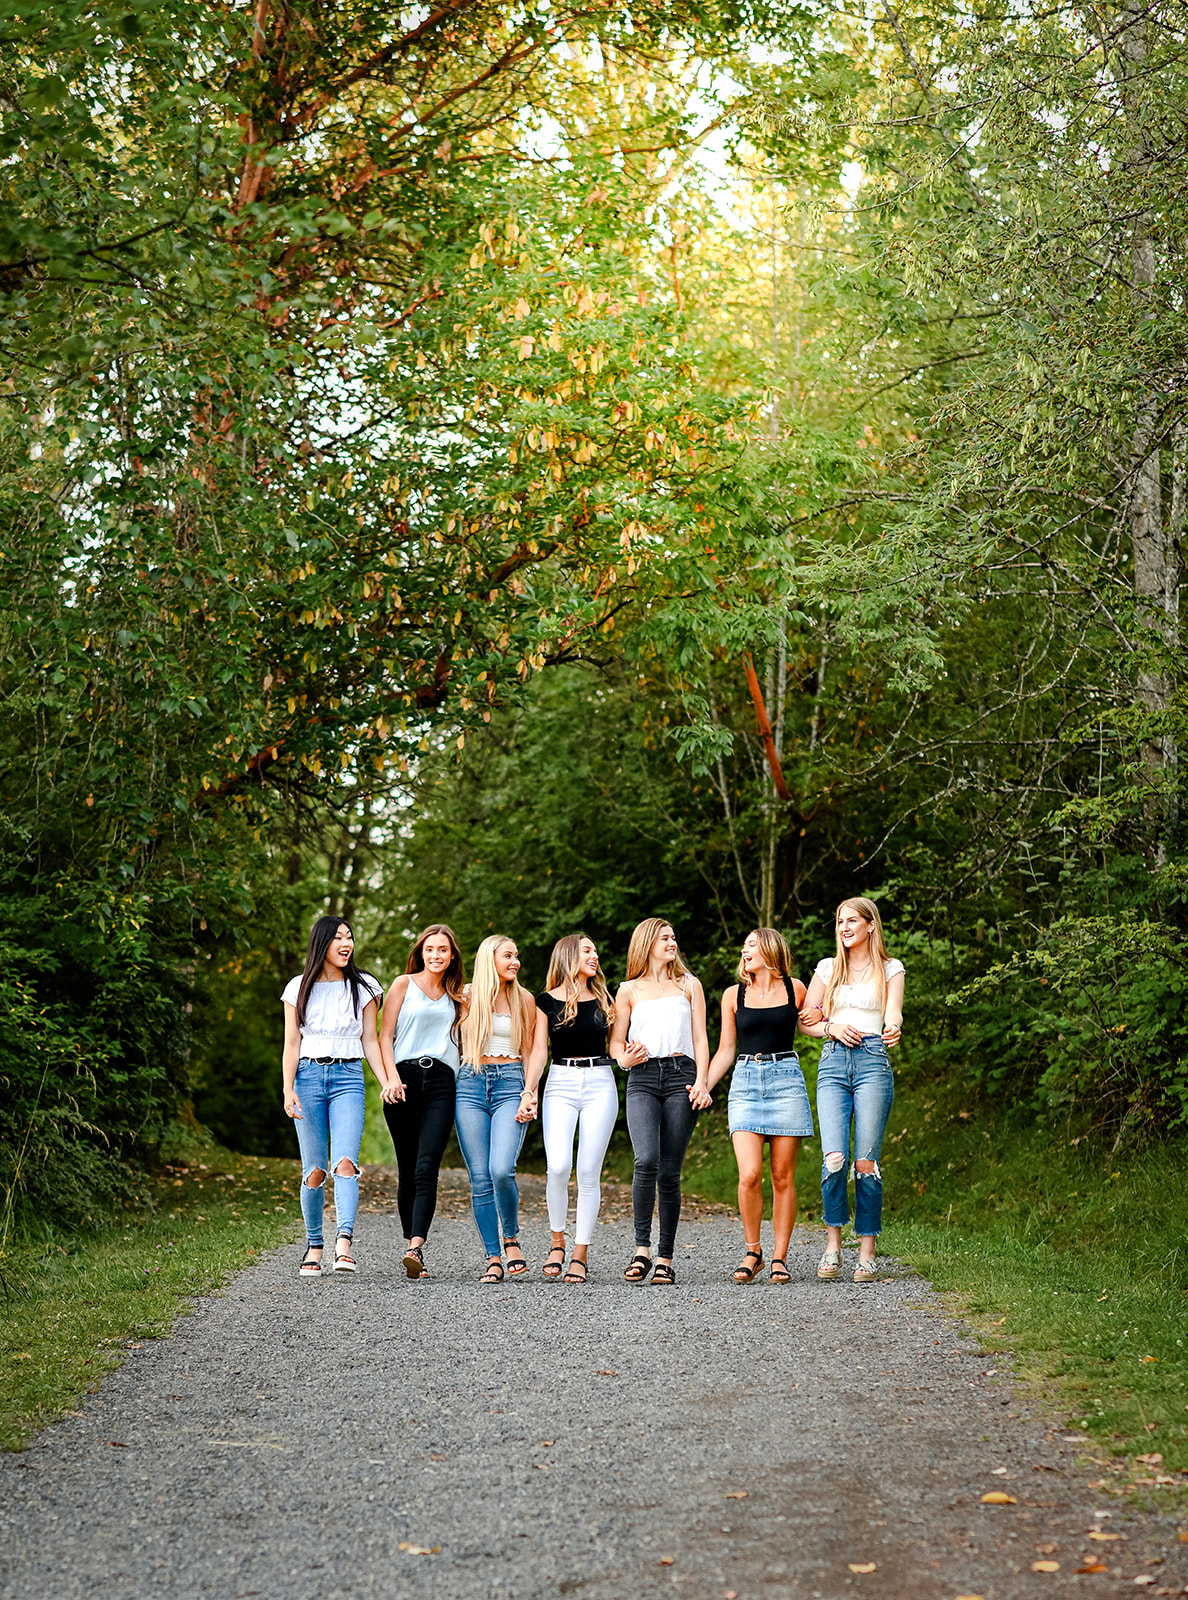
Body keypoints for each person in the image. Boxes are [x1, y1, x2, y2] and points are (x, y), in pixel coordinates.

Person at [798, 897, 904, 1283]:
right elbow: (806, 1020)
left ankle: (867, 1252)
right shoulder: (828, 969)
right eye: (840, 921)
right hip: (832, 1062)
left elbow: (893, 1012)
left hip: (872, 1060)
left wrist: (893, 1026)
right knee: (834, 1158)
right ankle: (832, 1246)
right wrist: (830, 1026)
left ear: (870, 926)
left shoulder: (891, 969)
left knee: (865, 1162)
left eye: (852, 921)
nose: (844, 927)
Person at [608, 918, 711, 1286]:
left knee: (669, 1169)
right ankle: (641, 1249)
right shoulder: (628, 990)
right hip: (643, 1077)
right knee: (645, 1159)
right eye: (665, 937)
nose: (672, 942)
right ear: (647, 943)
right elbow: (616, 1044)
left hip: (682, 1075)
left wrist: (702, 1081)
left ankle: (665, 1258)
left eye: (673, 937)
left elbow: (701, 1037)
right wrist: (624, 1059)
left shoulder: (689, 985)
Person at [282, 916, 385, 1276]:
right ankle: (314, 1246)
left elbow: (370, 1041)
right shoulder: (298, 987)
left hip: (348, 1077)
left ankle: (343, 1244)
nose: (346, 943)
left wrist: (386, 1080)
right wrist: (287, 1088)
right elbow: (291, 1043)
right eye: (338, 937)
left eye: (350, 937)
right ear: (321, 943)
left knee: (344, 1163)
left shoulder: (365, 986)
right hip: (307, 1077)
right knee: (314, 1170)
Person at [707, 928, 811, 1285]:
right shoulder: (733, 995)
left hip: (786, 1081)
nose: (744, 950)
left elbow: (813, 1024)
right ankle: (754, 1252)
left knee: (783, 1177)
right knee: (749, 1175)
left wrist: (835, 1026)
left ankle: (780, 1256)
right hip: (747, 1082)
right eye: (745, 945)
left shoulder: (795, 988)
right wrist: (703, 1086)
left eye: (751, 944)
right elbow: (725, 1049)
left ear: (769, 949)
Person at [524, 934, 618, 1285]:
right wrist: (529, 1090)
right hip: (561, 1083)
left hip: (600, 1082)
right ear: (567, 956)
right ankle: (557, 1240)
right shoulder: (544, 1001)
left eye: (596, 949)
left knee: (589, 1171)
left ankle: (580, 1253)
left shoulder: (606, 998)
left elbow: (619, 1043)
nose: (595, 955)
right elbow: (538, 1052)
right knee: (559, 1165)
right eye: (587, 950)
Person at [378, 924, 466, 1280]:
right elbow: (385, 1036)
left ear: (452, 955)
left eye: (443, 950)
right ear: (421, 951)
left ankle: (416, 1247)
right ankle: (408, 1240)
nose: (436, 956)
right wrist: (390, 1079)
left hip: (443, 1083)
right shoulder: (403, 984)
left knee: (427, 1166)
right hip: (404, 1080)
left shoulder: (458, 993)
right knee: (407, 1170)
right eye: (430, 949)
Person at [456, 934, 537, 1283]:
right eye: (508, 956)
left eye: (517, 956)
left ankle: (511, 1237)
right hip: (470, 1083)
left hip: (510, 1084)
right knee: (479, 1177)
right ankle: (492, 1255)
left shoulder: (525, 999)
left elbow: (533, 1051)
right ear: (490, 958)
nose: (515, 962)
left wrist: (529, 1092)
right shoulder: (465, 996)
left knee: (501, 1168)